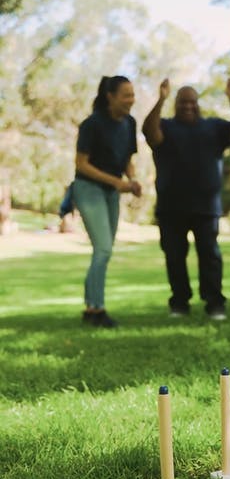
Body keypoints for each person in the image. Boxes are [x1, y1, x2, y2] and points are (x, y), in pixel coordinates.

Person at [142, 78, 230, 320]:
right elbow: (149, 132)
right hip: (171, 207)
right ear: (176, 104)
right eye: (182, 102)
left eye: (192, 102)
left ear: (198, 104)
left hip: (206, 207)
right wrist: (161, 98)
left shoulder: (214, 127)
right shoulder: (165, 127)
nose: (188, 106)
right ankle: (179, 303)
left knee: (210, 256)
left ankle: (215, 304)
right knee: (175, 257)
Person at [73, 75, 142, 328]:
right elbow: (81, 164)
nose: (131, 100)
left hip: (112, 191)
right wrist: (117, 183)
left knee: (103, 250)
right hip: (88, 187)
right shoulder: (92, 124)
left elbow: (127, 160)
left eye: (133, 95)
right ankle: (97, 309)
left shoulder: (130, 123)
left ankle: (91, 309)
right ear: (110, 97)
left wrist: (132, 180)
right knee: (103, 249)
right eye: (126, 95)